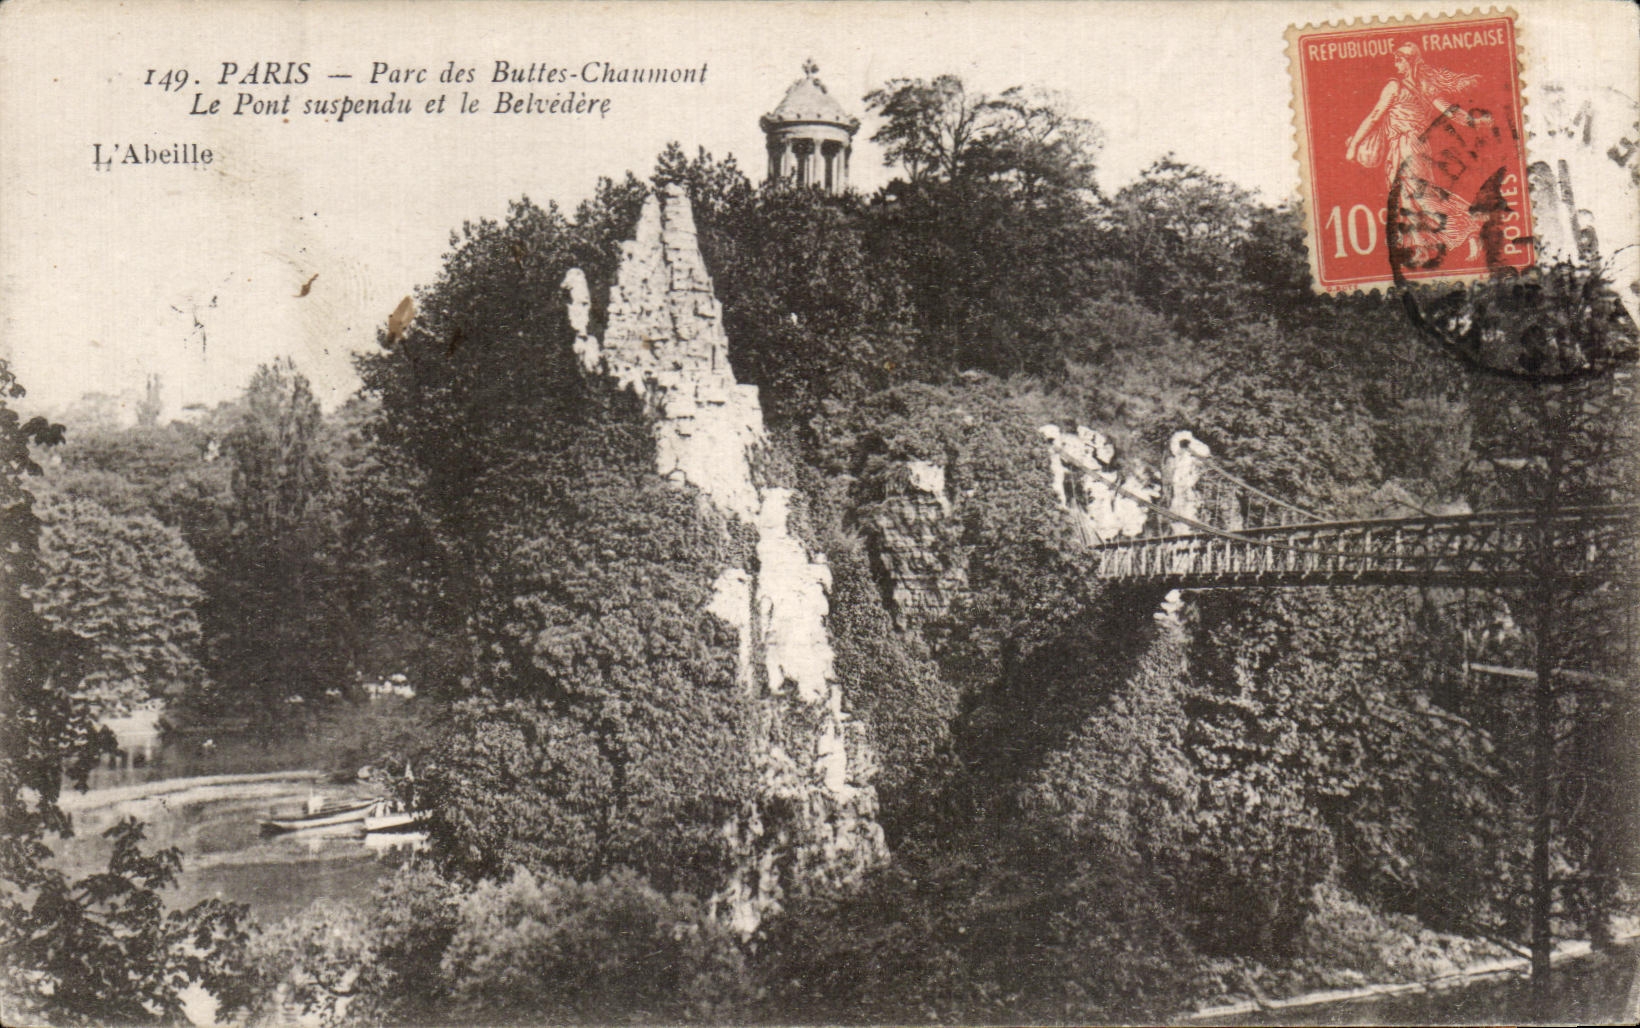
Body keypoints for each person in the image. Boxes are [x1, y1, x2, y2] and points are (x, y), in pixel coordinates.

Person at [1343, 43, 1483, 267]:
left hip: (1407, 147)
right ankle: (1422, 247)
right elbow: (1449, 110)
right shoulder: (1425, 86)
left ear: (1409, 62)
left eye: (1399, 59)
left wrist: (1354, 145)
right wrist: (1471, 121)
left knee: (1418, 197)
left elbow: (1374, 116)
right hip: (1413, 147)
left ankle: (1468, 224)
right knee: (1408, 198)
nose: (1395, 63)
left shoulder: (1394, 87)